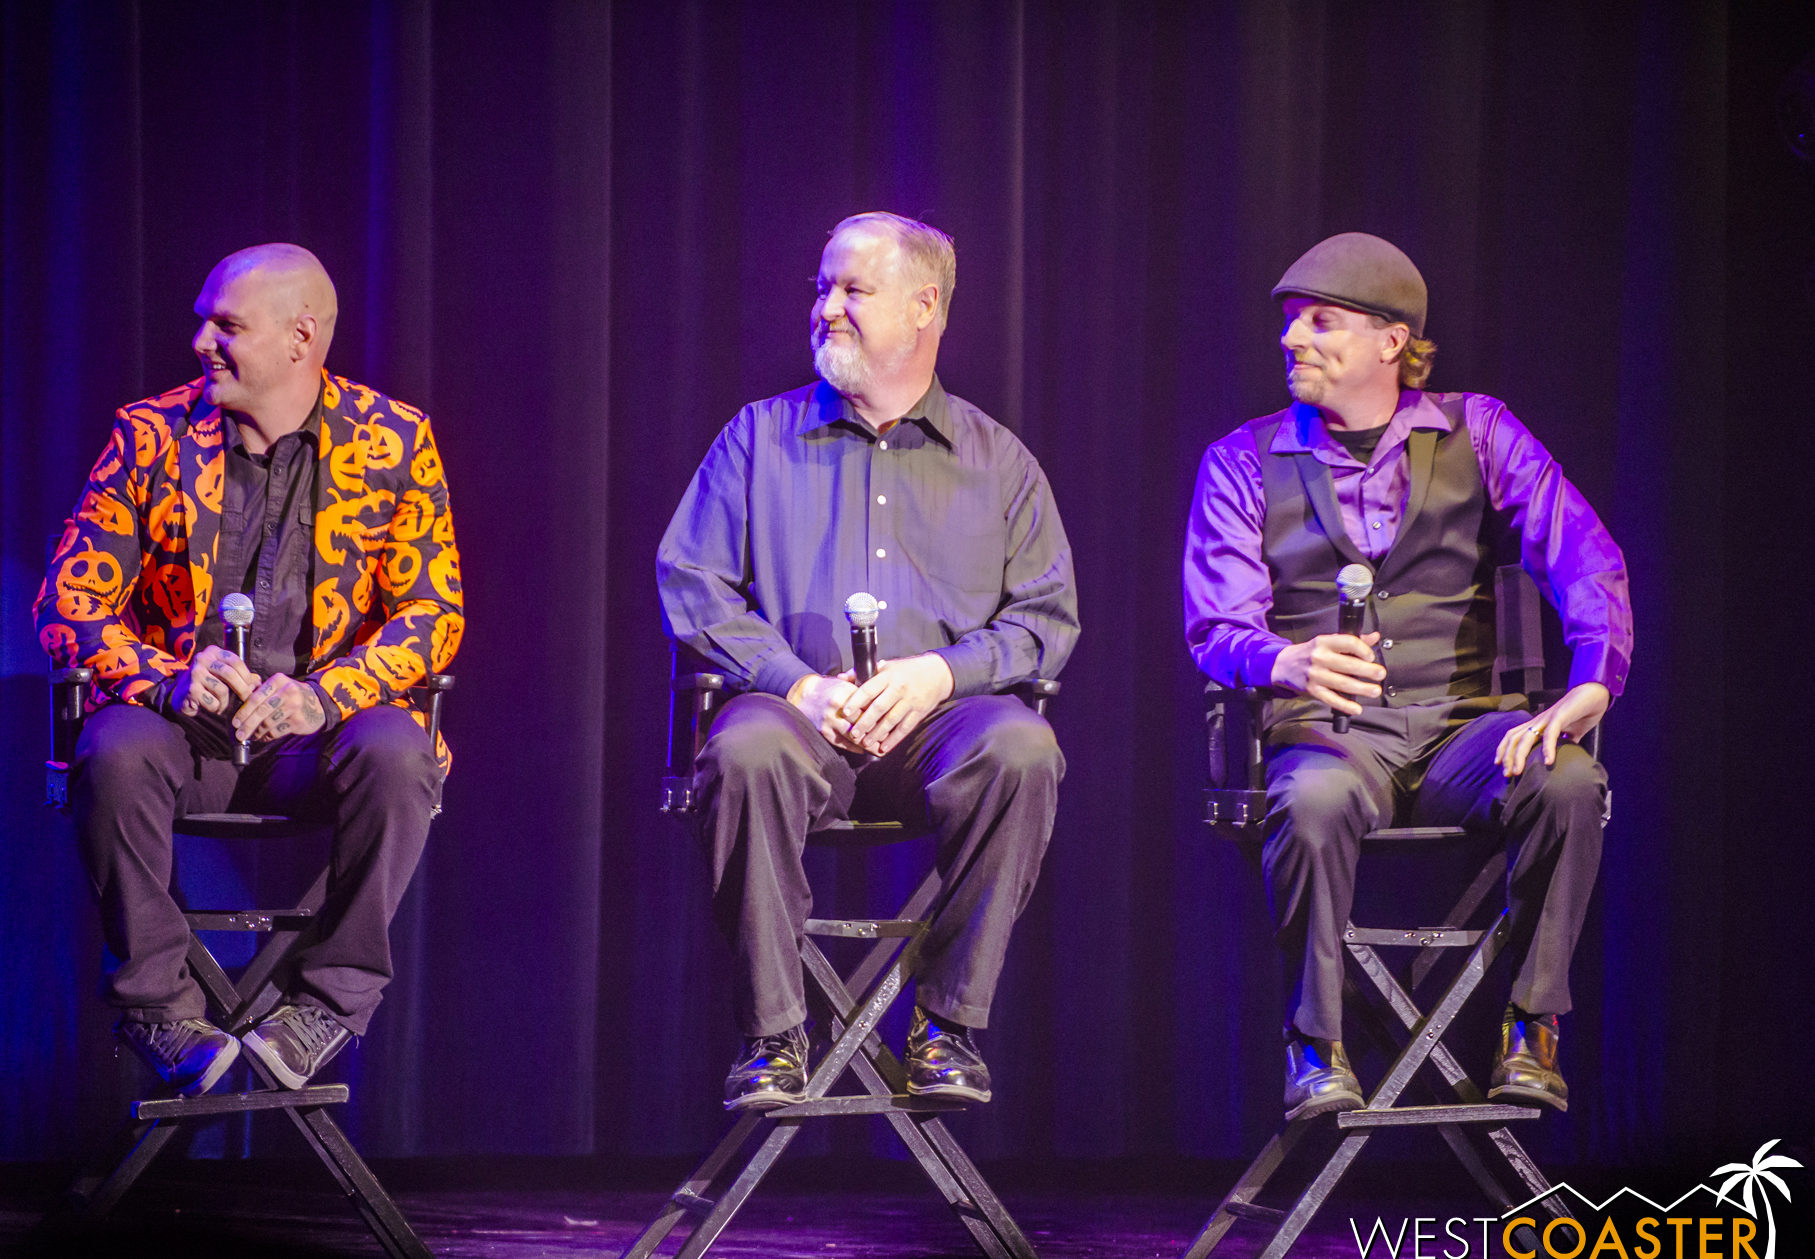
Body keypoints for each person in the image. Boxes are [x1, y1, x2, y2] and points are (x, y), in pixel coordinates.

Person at [1183, 232, 1631, 1120]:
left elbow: (1584, 554)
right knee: (1308, 806)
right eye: (1288, 324)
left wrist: (1596, 678)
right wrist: (1288, 659)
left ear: (1392, 340)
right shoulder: (1243, 458)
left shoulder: (1481, 431)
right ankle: (1316, 1043)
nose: (1292, 340)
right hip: (1330, 735)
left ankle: (1530, 1028)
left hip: (1469, 727)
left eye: (1320, 321)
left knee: (1570, 781)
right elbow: (1215, 626)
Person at [658, 213, 1079, 1110]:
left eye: (853, 290)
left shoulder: (998, 462)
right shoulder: (757, 440)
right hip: (796, 727)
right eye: (823, 288)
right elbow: (691, 585)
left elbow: (1047, 620)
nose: (827, 309)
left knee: (1024, 750)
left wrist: (942, 675)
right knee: (744, 750)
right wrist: (795, 685)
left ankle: (946, 1028)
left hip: (940, 735)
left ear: (924, 307)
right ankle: (773, 1038)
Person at [35, 243, 463, 1096]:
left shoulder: (394, 439)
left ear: (301, 339)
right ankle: (160, 1009)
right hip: (181, 740)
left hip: (317, 743)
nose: (201, 340)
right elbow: (65, 605)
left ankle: (327, 1005)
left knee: (401, 754)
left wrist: (319, 696)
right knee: (112, 749)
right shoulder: (149, 436)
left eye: (226, 325)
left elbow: (432, 614)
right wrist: (165, 677)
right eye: (202, 319)